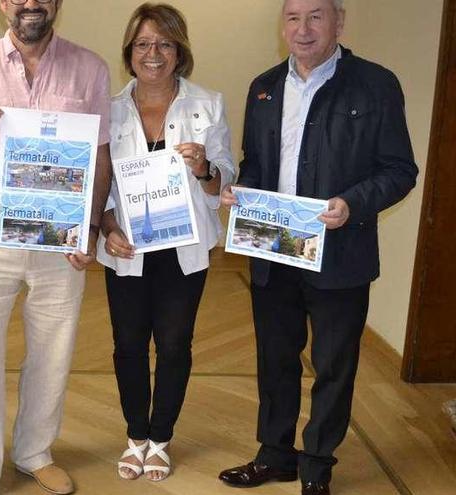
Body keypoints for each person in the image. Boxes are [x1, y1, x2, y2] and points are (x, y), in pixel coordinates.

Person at [217, 1, 418, 494]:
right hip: (273, 248)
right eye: (292, 18)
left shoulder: (375, 84)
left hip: (340, 254)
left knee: (334, 365)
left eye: (315, 16)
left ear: (339, 22)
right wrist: (242, 190)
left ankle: (317, 466)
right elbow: (256, 163)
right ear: (281, 25)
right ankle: (276, 456)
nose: (302, 29)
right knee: (275, 359)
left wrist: (352, 203)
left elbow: (399, 170)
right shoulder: (263, 87)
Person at [0, 1, 112, 493]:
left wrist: (91, 228)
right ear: (3, 4)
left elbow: (100, 157)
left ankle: (35, 451)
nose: (30, 2)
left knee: (53, 351)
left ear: (56, 4)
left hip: (61, 236)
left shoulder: (90, 68)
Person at [98, 2, 235, 483]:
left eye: (164, 43)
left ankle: (161, 437)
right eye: (142, 44)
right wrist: (107, 226)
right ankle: (136, 434)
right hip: (126, 247)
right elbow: (101, 183)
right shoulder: (109, 109)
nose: (152, 53)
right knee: (128, 345)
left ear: (179, 51)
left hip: (185, 249)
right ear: (129, 52)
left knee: (175, 344)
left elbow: (225, 179)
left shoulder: (207, 103)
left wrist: (204, 167)